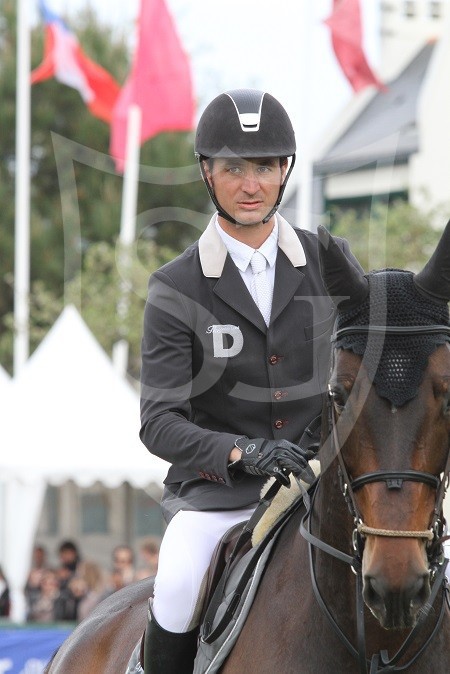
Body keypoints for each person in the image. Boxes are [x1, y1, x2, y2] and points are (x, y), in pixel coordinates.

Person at [139, 88, 361, 673]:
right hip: (220, 498)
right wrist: (243, 452)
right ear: (207, 173)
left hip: (326, 490)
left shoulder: (329, 263)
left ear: (285, 170)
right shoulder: (175, 287)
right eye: (233, 167)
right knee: (180, 579)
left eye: (265, 166)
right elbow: (158, 423)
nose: (251, 184)